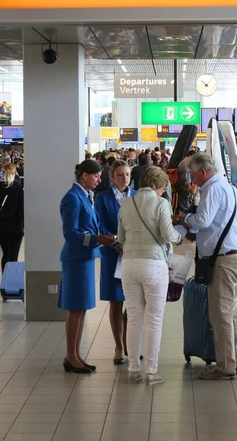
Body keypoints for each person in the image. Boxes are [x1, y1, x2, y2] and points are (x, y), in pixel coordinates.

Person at [178, 153, 237, 380]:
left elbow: (203, 221)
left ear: (203, 172)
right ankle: (233, 361)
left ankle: (225, 366)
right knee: (232, 313)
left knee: (220, 315)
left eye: (192, 173)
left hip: (224, 260)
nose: (191, 178)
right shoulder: (229, 188)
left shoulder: (212, 189)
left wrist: (184, 219)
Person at [118, 166, 184, 385]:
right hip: (154, 264)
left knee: (134, 317)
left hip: (128, 264)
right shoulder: (161, 203)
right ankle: (152, 371)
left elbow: (121, 237)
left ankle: (133, 369)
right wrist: (178, 238)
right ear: (159, 185)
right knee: (154, 319)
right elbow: (167, 233)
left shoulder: (126, 203)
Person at [58, 159, 114, 373]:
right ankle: (70, 356)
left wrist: (104, 237)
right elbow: (70, 233)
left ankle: (76, 354)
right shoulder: (72, 198)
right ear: (85, 176)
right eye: (97, 176)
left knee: (81, 309)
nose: (100, 180)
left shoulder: (87, 196)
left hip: (86, 258)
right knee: (76, 308)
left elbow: (93, 224)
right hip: (75, 259)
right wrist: (95, 239)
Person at [95, 160, 136, 365]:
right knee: (116, 299)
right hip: (112, 253)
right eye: (120, 174)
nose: (124, 178)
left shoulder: (137, 196)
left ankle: (131, 343)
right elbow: (99, 223)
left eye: (127, 174)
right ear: (112, 177)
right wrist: (114, 241)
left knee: (134, 300)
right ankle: (118, 347)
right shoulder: (102, 198)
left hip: (134, 253)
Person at [0, 163, 24, 273]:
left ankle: (5, 282)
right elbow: (21, 209)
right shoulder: (18, 187)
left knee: (5, 254)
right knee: (13, 255)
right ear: (14, 172)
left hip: (1, 226)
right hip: (16, 227)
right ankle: (12, 283)